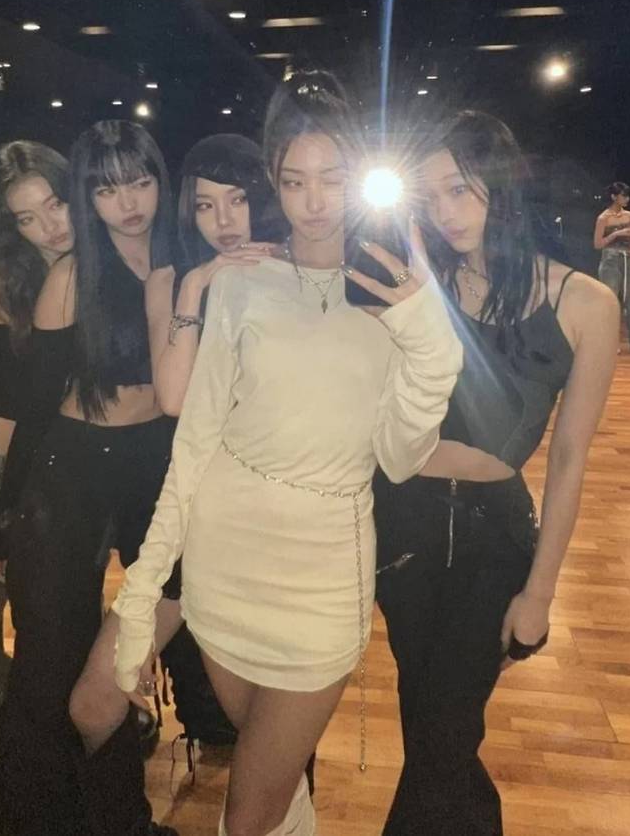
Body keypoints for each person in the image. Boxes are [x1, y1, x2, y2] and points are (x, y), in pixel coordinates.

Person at [111, 68, 463, 836]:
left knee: (247, 814)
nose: (314, 200)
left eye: (333, 178)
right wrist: (141, 599)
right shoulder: (245, 282)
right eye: (295, 181)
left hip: (323, 571)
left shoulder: (398, 290)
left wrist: (430, 342)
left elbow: (401, 456)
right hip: (224, 559)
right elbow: (195, 443)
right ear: (275, 180)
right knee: (275, 795)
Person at [373, 110, 619, 836]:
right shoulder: (419, 285)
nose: (446, 212)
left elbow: (569, 460)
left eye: (460, 189)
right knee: (432, 723)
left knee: (443, 733)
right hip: (402, 523)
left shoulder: (586, 302)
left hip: (493, 536)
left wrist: (541, 592)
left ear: (500, 183)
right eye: (431, 196)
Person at [0, 120, 177, 836]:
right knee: (51, 662)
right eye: (105, 189)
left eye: (139, 182)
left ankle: (118, 817)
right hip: (69, 471)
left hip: (152, 463)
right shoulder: (72, 278)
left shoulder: (183, 256)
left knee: (125, 653)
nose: (127, 203)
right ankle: (40, 820)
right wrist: (6, 521)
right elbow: (35, 416)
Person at [70, 133, 279, 765]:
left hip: (271, 525)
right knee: (95, 700)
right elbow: (173, 398)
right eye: (206, 205)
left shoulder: (298, 280)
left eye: (239, 200)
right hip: (189, 520)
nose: (225, 221)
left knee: (266, 720)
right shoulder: (171, 279)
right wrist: (196, 284)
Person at [0, 140, 73, 836]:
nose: (49, 227)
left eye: (56, 204)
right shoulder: (0, 282)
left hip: (58, 485)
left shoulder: (102, 274)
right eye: (27, 218)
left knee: (50, 646)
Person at [593, 181, 630, 351]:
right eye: (623, 195)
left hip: (628, 259)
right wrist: (617, 234)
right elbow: (597, 244)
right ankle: (609, 342)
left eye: (627, 195)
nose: (627, 199)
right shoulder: (603, 218)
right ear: (614, 197)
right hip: (610, 260)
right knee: (610, 302)